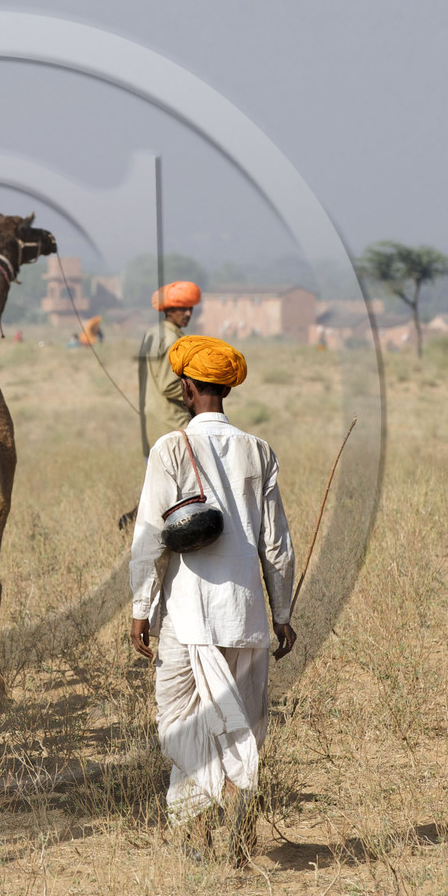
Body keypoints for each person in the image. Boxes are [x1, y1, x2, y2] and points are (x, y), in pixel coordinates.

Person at [128, 335, 296, 854]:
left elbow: (150, 537)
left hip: (188, 615)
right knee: (242, 726)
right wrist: (282, 613)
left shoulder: (171, 448)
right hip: (247, 619)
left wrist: (139, 608)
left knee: (184, 725)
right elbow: (278, 546)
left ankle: (200, 844)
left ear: (185, 387)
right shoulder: (259, 451)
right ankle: (241, 836)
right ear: (226, 387)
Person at [137, 281, 200, 458]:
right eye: (182, 309)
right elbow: (169, 386)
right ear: (169, 310)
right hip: (173, 424)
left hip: (153, 421)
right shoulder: (173, 340)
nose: (188, 313)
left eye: (190, 309)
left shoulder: (153, 333)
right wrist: (202, 397)